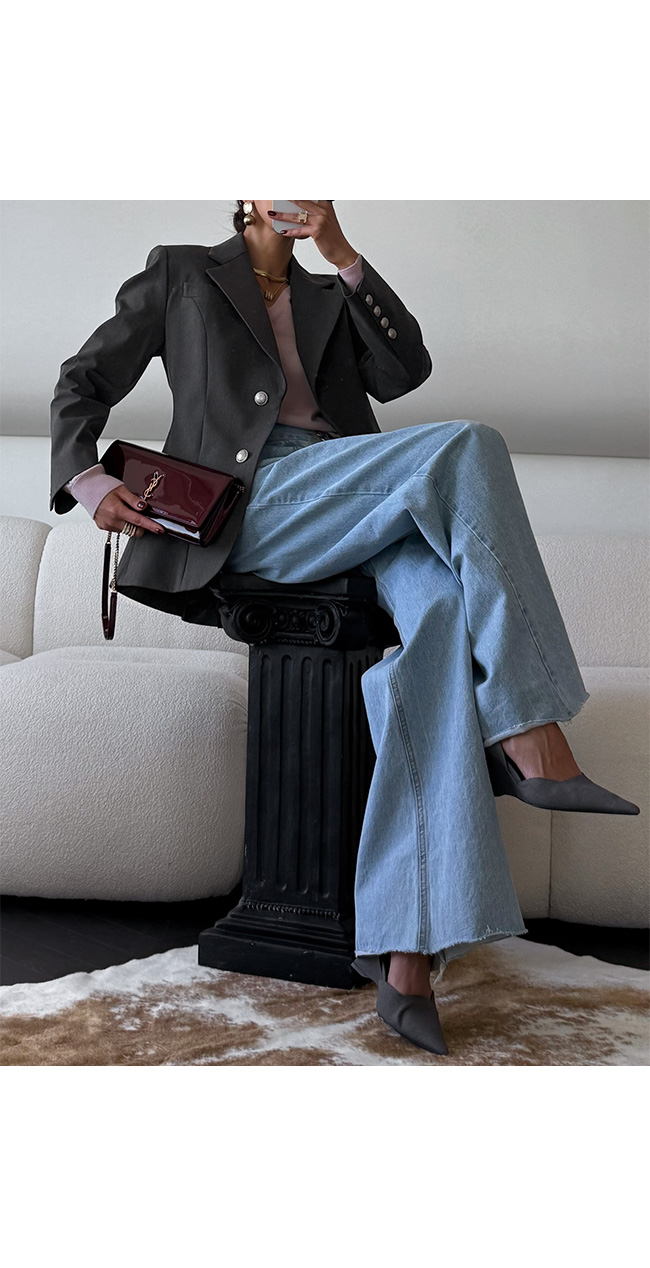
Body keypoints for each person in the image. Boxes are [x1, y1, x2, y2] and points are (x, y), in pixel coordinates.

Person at [49, 200, 640, 1057]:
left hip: (352, 489)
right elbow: (83, 378)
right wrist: (88, 482)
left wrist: (343, 255)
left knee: (440, 614)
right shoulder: (181, 270)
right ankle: (528, 728)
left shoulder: (329, 293)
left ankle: (405, 956)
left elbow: (404, 371)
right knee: (470, 444)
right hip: (251, 500)